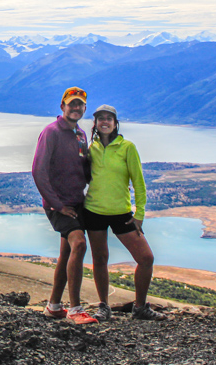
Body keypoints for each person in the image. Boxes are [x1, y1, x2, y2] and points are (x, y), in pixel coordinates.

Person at [83, 104, 167, 321]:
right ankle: (104, 307)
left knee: (146, 258)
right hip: (93, 211)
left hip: (122, 213)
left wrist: (139, 215)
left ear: (115, 123)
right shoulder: (90, 149)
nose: (104, 121)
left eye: (109, 118)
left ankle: (140, 307)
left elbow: (139, 183)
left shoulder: (127, 147)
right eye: (100, 118)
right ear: (95, 123)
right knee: (100, 259)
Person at [31, 86, 97, 324]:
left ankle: (54, 306)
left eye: (80, 104)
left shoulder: (80, 134)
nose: (76, 108)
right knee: (79, 243)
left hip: (77, 201)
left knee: (66, 252)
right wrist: (57, 205)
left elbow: (84, 170)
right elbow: (38, 171)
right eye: (72, 104)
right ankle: (76, 309)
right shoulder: (51, 132)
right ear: (62, 106)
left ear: (84, 108)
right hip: (59, 204)